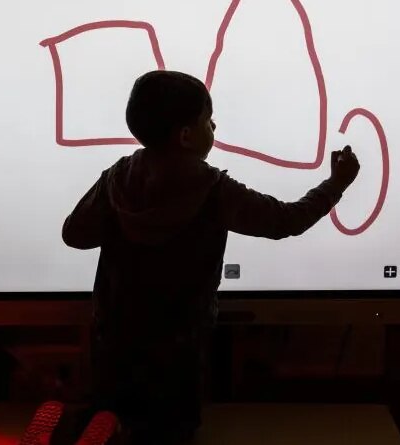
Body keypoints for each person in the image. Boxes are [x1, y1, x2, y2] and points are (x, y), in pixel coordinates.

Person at [58, 70, 359, 444]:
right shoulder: (214, 191)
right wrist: (336, 183)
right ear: (186, 135)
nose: (214, 126)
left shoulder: (117, 178)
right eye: (207, 119)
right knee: (172, 431)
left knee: (114, 425)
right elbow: (286, 220)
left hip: (113, 340)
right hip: (179, 348)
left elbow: (74, 234)